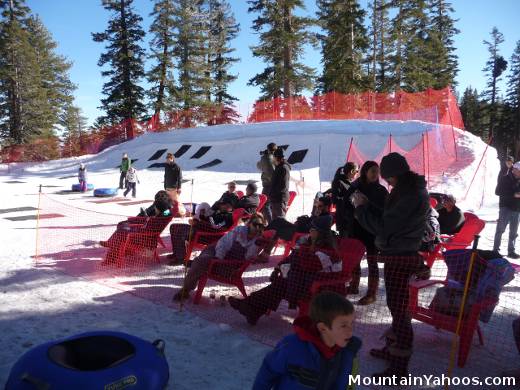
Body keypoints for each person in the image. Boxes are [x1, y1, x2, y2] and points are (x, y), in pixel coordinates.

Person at [352, 152, 430, 378]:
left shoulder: (411, 194)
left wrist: (360, 210)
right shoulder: (406, 190)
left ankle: (399, 368)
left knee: (400, 309)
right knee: (396, 306)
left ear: (395, 174)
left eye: (388, 177)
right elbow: (390, 216)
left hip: (402, 256)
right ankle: (392, 350)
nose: (387, 181)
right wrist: (368, 205)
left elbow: (385, 226)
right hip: (397, 253)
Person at [229, 215, 340, 325]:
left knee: (280, 285)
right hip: (303, 279)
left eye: (313, 229)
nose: (310, 231)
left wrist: (301, 253)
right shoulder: (309, 243)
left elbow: (309, 265)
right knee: (278, 285)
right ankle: (252, 309)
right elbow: (293, 258)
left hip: (318, 285)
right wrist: (279, 267)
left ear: (320, 233)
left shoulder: (328, 250)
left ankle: (250, 308)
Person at [252, 291, 361, 390]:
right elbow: (269, 370)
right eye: (343, 326)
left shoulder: (348, 353)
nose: (351, 331)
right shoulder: (292, 347)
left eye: (352, 323)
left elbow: (347, 383)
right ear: (323, 328)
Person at [172, 214, 269, 301]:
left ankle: (187, 286)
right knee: (203, 259)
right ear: (249, 224)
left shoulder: (258, 240)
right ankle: (187, 285)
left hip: (229, 263)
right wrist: (218, 258)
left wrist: (256, 245)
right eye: (255, 224)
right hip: (217, 251)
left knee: (200, 262)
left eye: (260, 225)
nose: (257, 227)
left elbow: (248, 258)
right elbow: (224, 244)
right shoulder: (239, 231)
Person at [349, 161, 388, 304]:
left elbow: (384, 211)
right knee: (355, 259)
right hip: (356, 228)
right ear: (365, 171)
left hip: (372, 230)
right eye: (372, 171)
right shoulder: (355, 187)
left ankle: (372, 293)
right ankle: (354, 285)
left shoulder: (381, 190)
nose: (375, 174)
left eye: (377, 172)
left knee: (372, 261)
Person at [100, 198, 172, 264]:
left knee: (120, 233)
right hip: (147, 237)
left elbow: (146, 228)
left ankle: (111, 257)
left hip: (143, 239)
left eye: (155, 207)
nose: (154, 208)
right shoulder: (165, 213)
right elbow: (167, 211)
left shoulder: (157, 219)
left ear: (159, 208)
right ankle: (112, 245)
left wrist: (133, 228)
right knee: (122, 228)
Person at [168, 200, 235, 264]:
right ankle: (176, 253)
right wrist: (201, 216)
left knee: (180, 231)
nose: (221, 206)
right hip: (200, 229)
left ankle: (180, 258)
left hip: (207, 235)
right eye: (222, 204)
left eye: (225, 205)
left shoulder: (228, 217)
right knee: (173, 227)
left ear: (230, 207)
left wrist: (199, 223)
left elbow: (219, 228)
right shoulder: (218, 213)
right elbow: (209, 220)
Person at [493, 161, 520, 259]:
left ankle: (511, 251)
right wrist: (513, 195)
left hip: (517, 209)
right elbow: (498, 191)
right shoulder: (505, 178)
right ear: (515, 170)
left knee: (514, 232)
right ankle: (495, 251)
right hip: (505, 208)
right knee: (500, 230)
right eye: (518, 170)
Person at [327, 162, 359, 238]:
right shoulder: (341, 181)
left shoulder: (344, 181)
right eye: (357, 171)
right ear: (352, 171)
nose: (357, 173)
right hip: (345, 218)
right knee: (347, 242)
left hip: (346, 217)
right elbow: (335, 199)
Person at [257, 142, 277, 223]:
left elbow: (259, 166)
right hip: (277, 185)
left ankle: (270, 223)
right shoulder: (277, 157)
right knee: (273, 205)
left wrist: (264, 156)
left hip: (268, 185)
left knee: (265, 205)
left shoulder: (266, 158)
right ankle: (270, 222)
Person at [269, 148, 291, 220]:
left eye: (273, 157)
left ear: (276, 158)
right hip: (275, 199)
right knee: (275, 222)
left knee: (280, 220)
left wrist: (274, 194)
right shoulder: (278, 167)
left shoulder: (283, 168)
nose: (273, 159)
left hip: (279, 199)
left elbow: (283, 186)